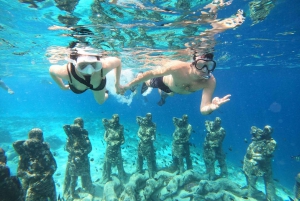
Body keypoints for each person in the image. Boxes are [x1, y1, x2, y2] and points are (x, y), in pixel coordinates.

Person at [121, 52, 230, 114]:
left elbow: (203, 110)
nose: (205, 70)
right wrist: (127, 85)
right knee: (148, 82)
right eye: (201, 64)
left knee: (170, 94)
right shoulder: (177, 67)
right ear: (192, 64)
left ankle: (164, 95)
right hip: (163, 82)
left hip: (174, 88)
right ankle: (139, 76)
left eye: (209, 65)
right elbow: (151, 73)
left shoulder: (209, 81)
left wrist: (211, 107)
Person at [49, 50, 122, 104]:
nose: (89, 71)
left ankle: (106, 92)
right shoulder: (66, 72)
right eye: (83, 66)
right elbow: (51, 70)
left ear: (98, 63)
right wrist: (62, 86)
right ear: (75, 64)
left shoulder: (104, 67)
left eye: (94, 65)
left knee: (100, 102)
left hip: (98, 83)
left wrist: (117, 84)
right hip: (93, 82)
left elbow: (118, 62)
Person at [13, 128, 57, 201]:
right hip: (33, 187)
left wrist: (48, 175)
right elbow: (20, 172)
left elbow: (54, 165)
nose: (41, 139)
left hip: (49, 184)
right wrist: (32, 176)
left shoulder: (45, 150)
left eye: (41, 136)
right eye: (38, 137)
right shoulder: (25, 153)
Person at [243, 125, 282, 201]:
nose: (265, 131)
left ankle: (270, 198)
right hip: (255, 165)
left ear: (271, 132)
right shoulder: (260, 137)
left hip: (266, 165)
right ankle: (251, 195)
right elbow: (253, 129)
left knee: (269, 182)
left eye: (267, 130)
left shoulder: (272, 142)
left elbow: (267, 152)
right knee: (252, 179)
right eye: (264, 129)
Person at [63, 117, 93, 200]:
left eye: (81, 123)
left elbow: (89, 147)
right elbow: (68, 147)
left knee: (86, 175)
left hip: (84, 160)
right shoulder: (70, 136)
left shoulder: (85, 135)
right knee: (73, 177)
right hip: (73, 160)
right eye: (78, 123)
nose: (80, 125)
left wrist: (83, 152)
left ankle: (87, 187)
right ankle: (70, 192)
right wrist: (75, 152)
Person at [101, 114, 126, 183]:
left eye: (118, 118)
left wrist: (118, 143)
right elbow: (105, 138)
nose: (116, 120)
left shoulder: (121, 128)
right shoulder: (108, 128)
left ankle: (121, 177)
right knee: (108, 163)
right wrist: (110, 142)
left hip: (117, 149)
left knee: (119, 163)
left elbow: (123, 139)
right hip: (109, 148)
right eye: (115, 119)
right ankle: (107, 177)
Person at [136, 113, 157, 178]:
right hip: (141, 144)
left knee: (149, 159)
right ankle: (139, 171)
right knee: (140, 158)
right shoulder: (142, 124)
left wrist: (151, 139)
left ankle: (151, 174)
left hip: (149, 145)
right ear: (146, 117)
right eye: (148, 116)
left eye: (150, 116)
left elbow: (154, 135)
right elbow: (138, 133)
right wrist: (142, 138)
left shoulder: (153, 125)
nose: (149, 118)